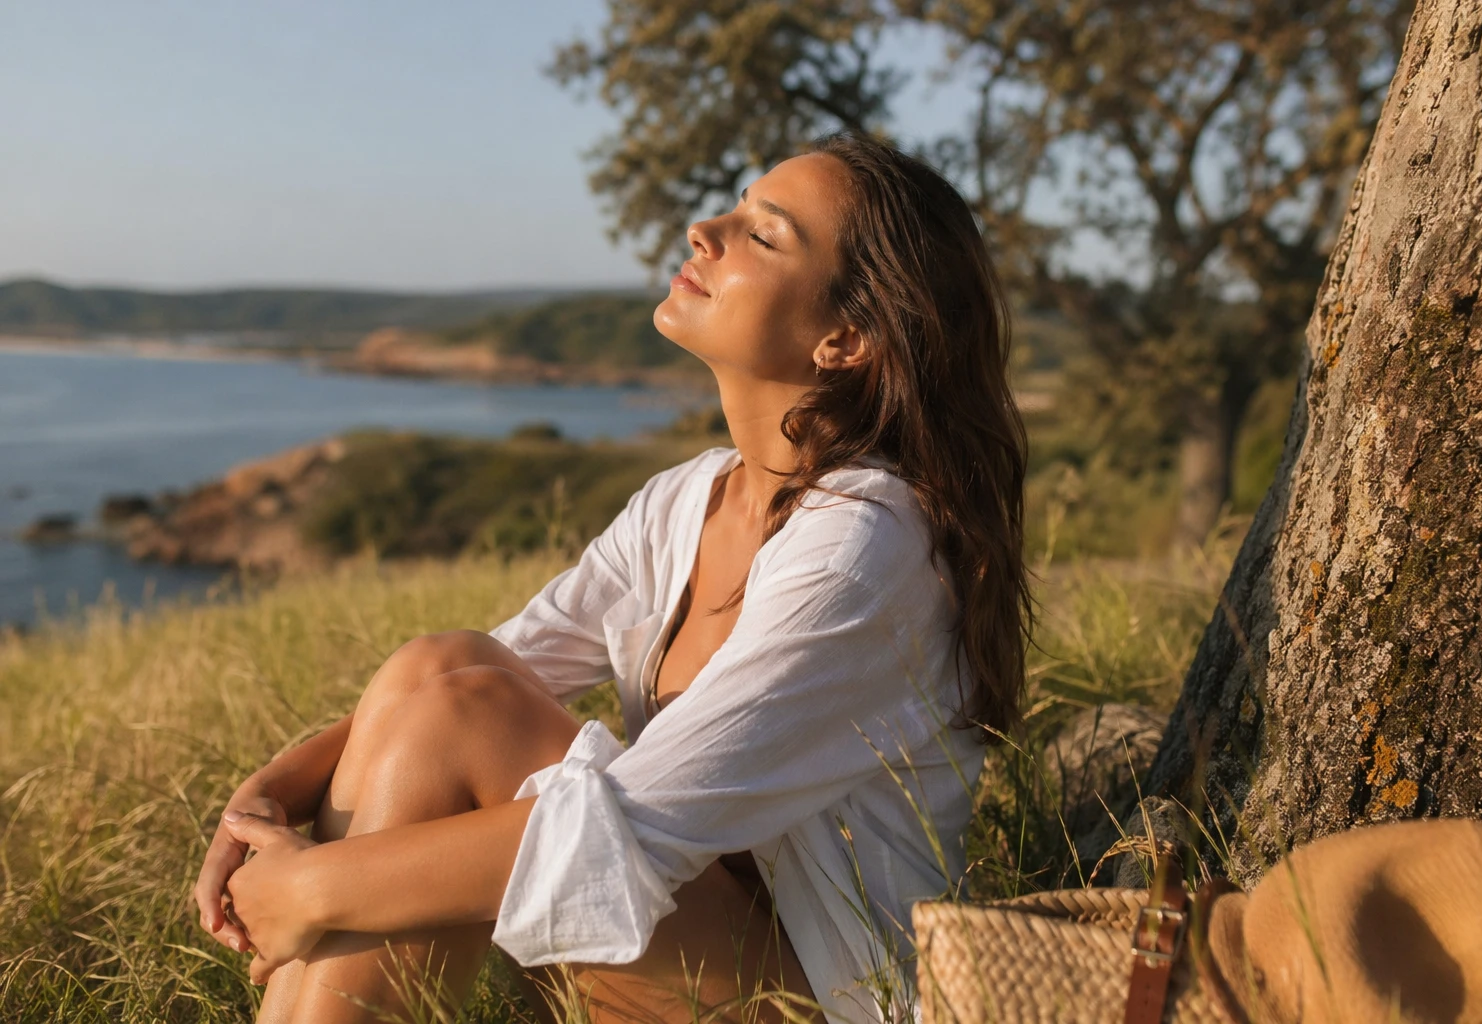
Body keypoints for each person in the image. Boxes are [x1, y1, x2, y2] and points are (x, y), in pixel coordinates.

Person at [195, 130, 1031, 1024]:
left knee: (465, 710)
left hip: (824, 998)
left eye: (763, 233)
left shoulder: (866, 547)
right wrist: (273, 789)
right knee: (439, 667)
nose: (705, 230)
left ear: (846, 337)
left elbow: (625, 834)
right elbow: (472, 675)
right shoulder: (688, 502)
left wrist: (313, 888)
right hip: (693, 956)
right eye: (735, 208)